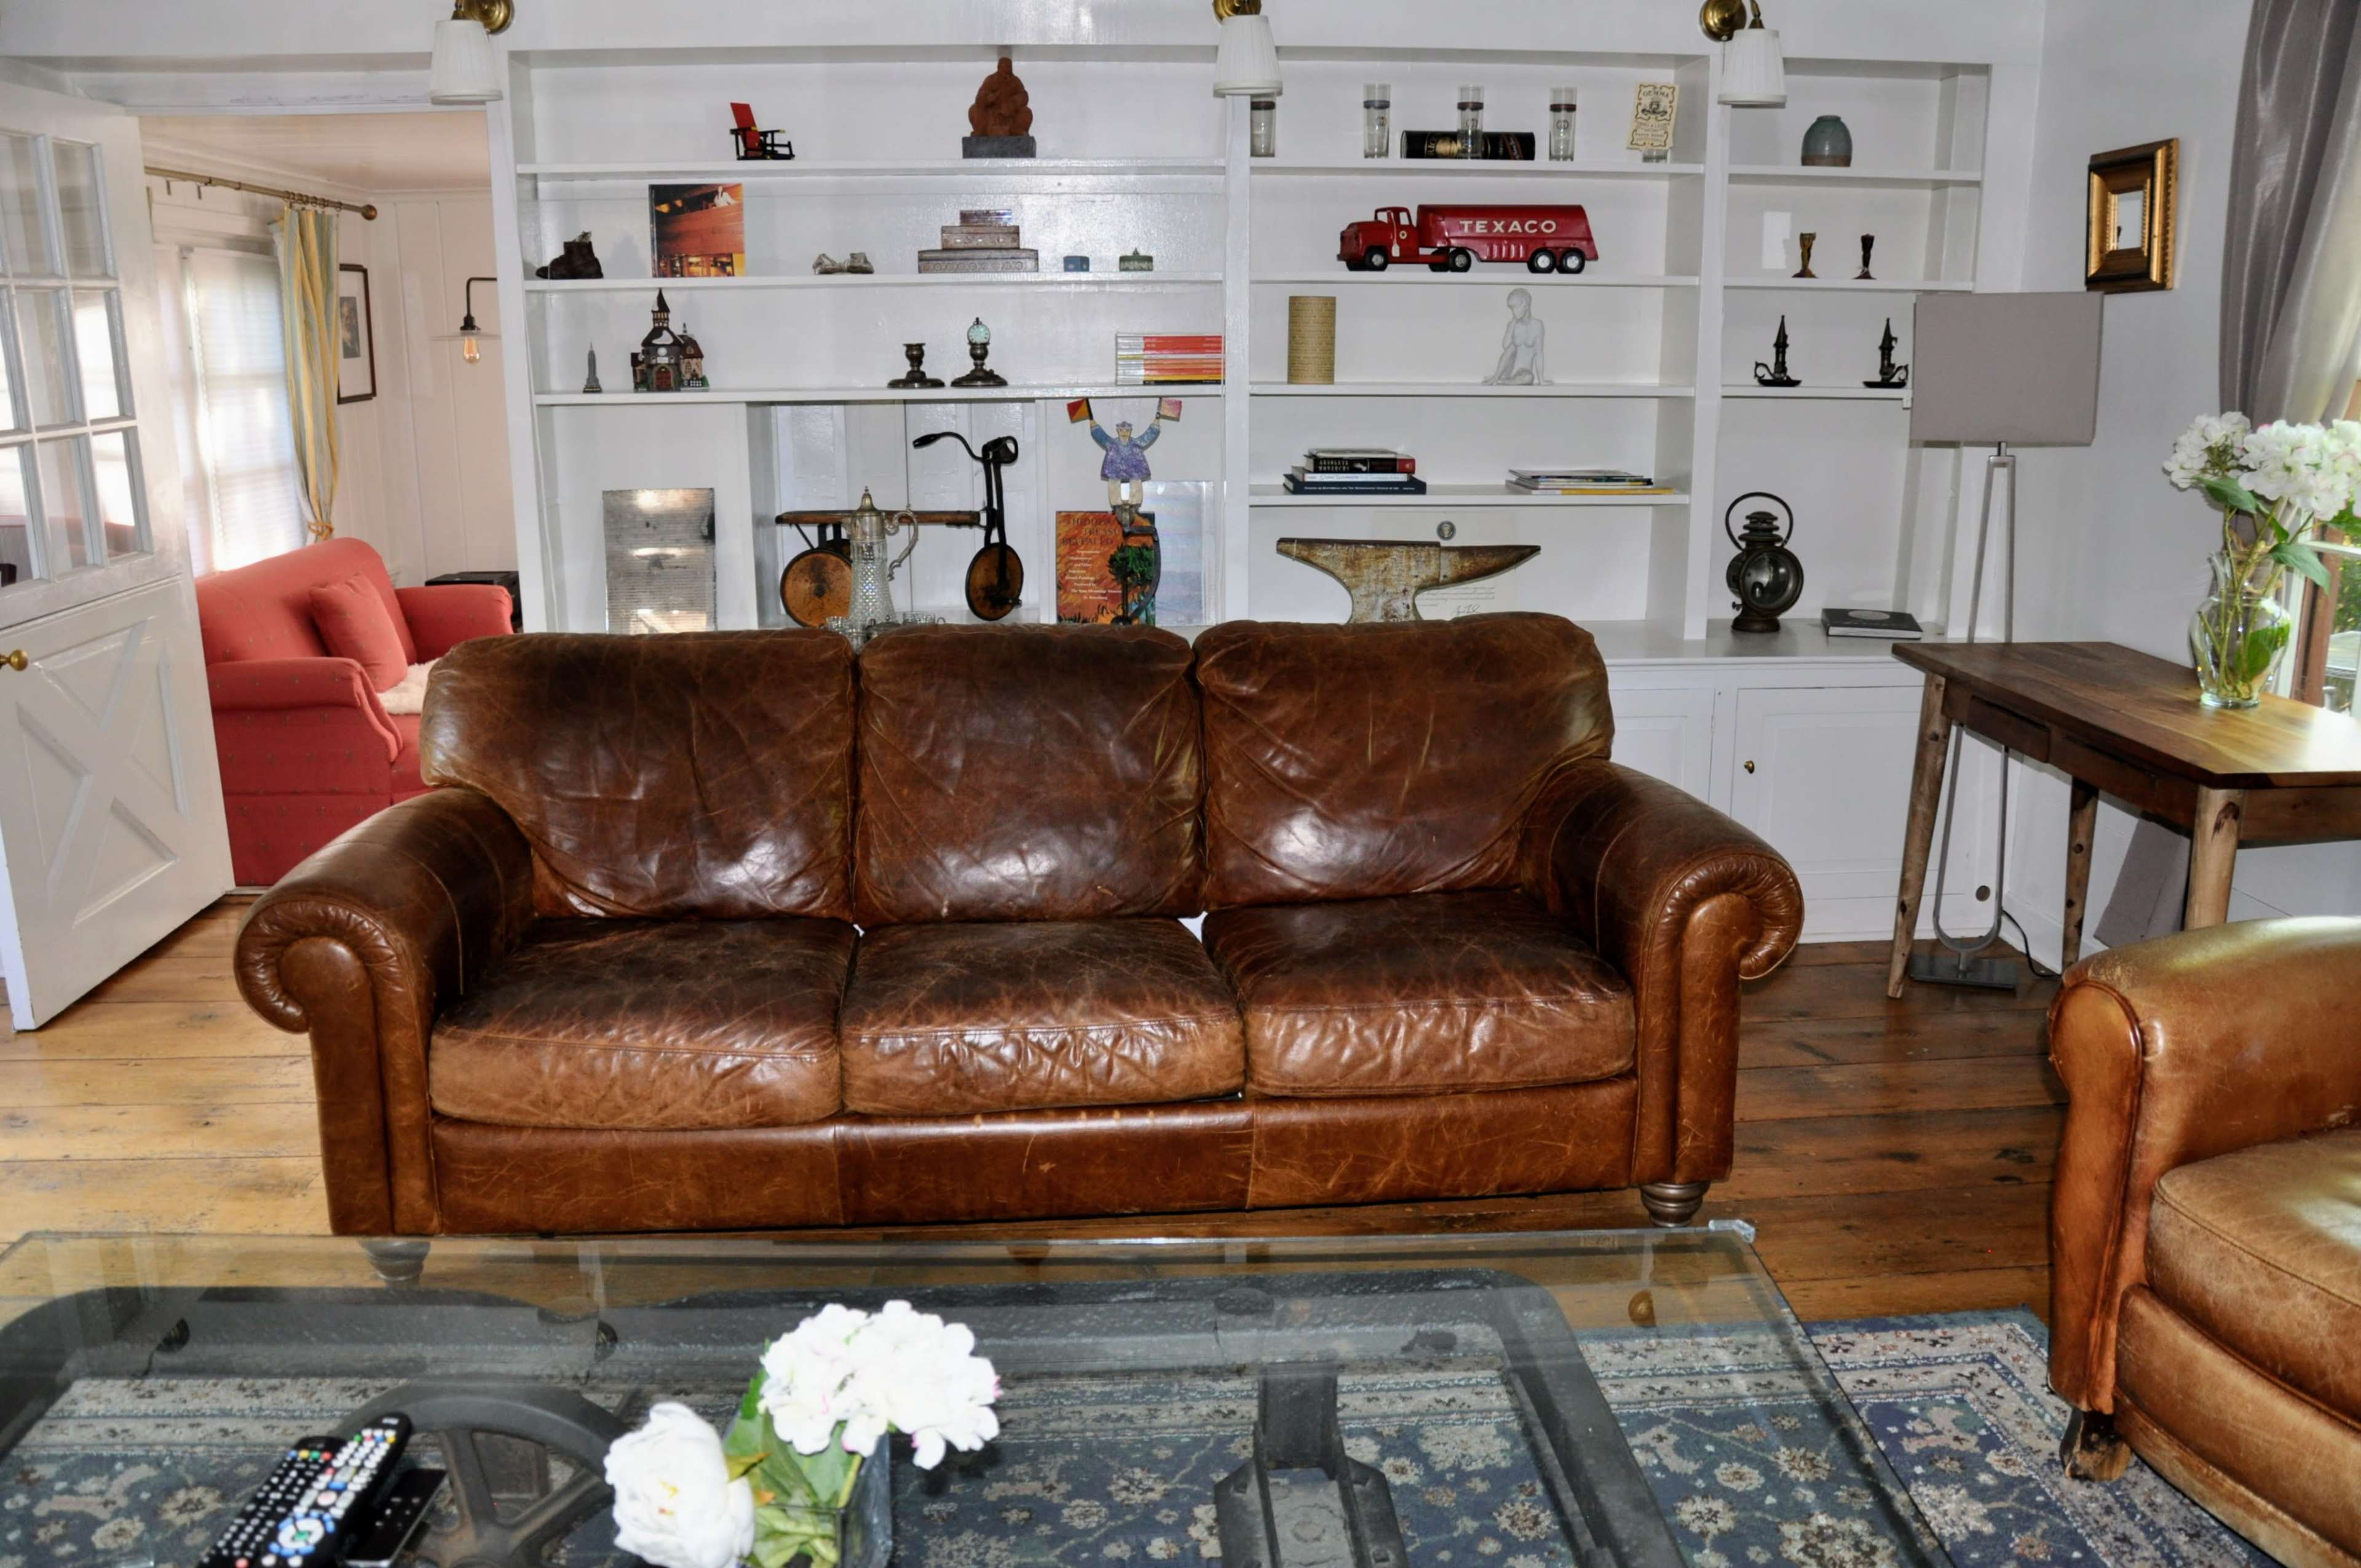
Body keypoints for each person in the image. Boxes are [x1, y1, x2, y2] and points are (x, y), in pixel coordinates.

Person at [1090, 410, 1167, 509]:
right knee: (1113, 483)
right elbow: (1101, 437)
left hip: (1134, 469)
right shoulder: (1112, 444)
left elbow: (1148, 437)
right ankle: (1115, 501)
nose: (1124, 433)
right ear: (1118, 431)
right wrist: (1093, 425)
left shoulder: (1136, 443)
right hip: (1115, 469)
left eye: (1127, 431)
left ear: (1130, 431)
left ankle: (1135, 500)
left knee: (1136, 482)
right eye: (1122, 431)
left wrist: (1156, 422)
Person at [1486, 287, 1548, 386]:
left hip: (1523, 373)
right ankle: (1497, 377)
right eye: (1512, 308)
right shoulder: (1513, 324)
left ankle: (1503, 381)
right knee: (1512, 346)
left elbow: (1539, 354)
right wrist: (1512, 325)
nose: (1513, 312)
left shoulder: (1538, 325)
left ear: (1525, 305)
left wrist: (1542, 380)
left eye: (1515, 307)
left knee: (1529, 378)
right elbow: (1506, 347)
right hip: (1508, 370)